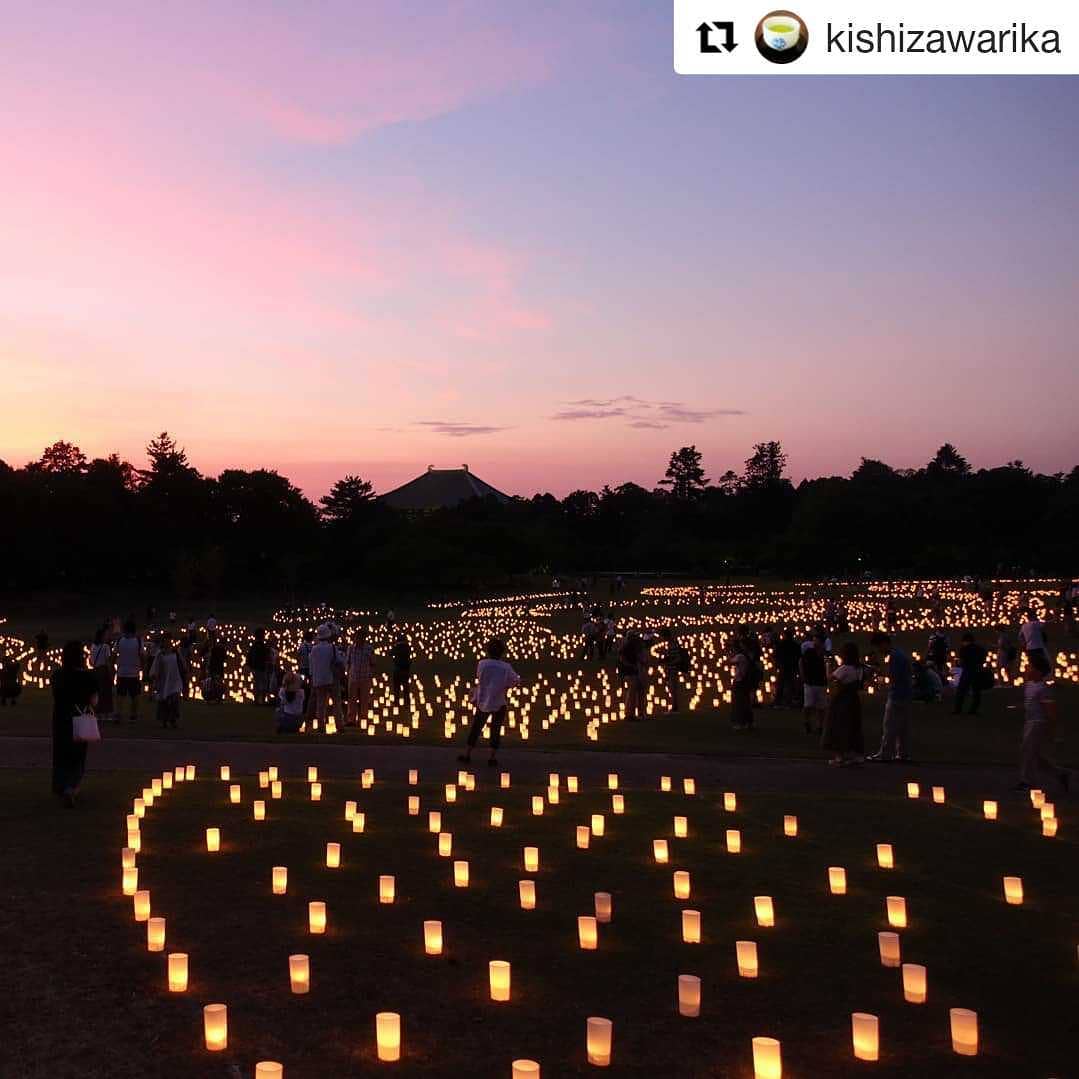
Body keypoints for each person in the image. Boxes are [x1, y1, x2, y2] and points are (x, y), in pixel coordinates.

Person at [459, 638, 520, 767]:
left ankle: (467, 754)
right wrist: (505, 685)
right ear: (502, 652)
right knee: (495, 730)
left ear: (488, 650)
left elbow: (480, 677)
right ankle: (492, 757)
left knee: (476, 727)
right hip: (499, 702)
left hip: (483, 701)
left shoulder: (482, 664)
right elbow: (515, 680)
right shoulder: (506, 667)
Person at [51, 640, 98, 807]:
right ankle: (71, 787)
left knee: (61, 753)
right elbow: (94, 700)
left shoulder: (57, 676)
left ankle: (61, 785)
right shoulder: (87, 677)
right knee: (78, 755)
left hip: (61, 719)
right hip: (80, 720)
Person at [1015, 653, 1069, 793]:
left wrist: (1054, 730)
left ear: (1038, 672)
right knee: (1034, 754)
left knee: (1027, 751)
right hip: (1029, 722)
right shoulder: (1029, 685)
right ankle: (1060, 773)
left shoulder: (1043, 689)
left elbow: (1051, 711)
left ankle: (1026, 782)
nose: (1027, 669)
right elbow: (1030, 703)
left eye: (1030, 667)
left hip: (1038, 723)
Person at [866, 632, 914, 762]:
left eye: (878, 647)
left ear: (884, 644)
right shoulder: (900, 654)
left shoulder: (895, 657)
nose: (879, 651)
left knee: (889, 726)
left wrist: (881, 675)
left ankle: (885, 753)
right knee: (903, 728)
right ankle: (902, 754)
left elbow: (894, 677)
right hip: (906, 694)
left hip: (897, 695)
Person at [822, 641, 865, 766]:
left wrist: (828, 665)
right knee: (853, 726)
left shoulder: (845, 669)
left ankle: (839, 756)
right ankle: (856, 754)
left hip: (841, 701)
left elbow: (830, 678)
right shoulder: (859, 668)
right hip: (854, 701)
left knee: (839, 726)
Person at [149, 632, 186, 729]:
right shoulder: (160, 654)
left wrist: (185, 671)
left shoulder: (175, 652)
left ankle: (173, 720)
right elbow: (156, 668)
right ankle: (164, 720)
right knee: (164, 700)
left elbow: (182, 663)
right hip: (164, 680)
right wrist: (155, 679)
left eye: (169, 640)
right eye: (165, 640)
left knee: (174, 700)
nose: (167, 642)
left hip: (175, 679)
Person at [306, 623, 337, 728]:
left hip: (318, 680)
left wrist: (311, 677)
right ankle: (339, 725)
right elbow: (339, 661)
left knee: (320, 704)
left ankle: (320, 725)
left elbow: (311, 665)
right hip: (330, 679)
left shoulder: (314, 649)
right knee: (336, 703)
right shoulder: (331, 648)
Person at [115, 619, 144, 722]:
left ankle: (118, 713)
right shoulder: (138, 641)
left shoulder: (120, 641)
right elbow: (142, 655)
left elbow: (114, 654)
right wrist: (143, 669)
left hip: (121, 672)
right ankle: (133, 714)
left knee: (120, 695)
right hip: (134, 673)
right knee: (135, 695)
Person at [346, 627, 375, 726]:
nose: (359, 639)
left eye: (362, 637)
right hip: (353, 677)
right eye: (358, 637)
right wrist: (348, 673)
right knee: (351, 699)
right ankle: (351, 719)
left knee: (364, 699)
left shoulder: (369, 649)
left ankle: (363, 718)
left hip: (365, 677)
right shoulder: (351, 648)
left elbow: (373, 662)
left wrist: (370, 673)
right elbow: (348, 662)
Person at [954, 632, 989, 715]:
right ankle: (973, 710)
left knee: (961, 691)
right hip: (977, 671)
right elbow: (983, 659)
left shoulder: (964, 649)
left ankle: (958, 709)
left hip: (967, 671)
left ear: (965, 641)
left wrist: (960, 664)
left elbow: (961, 661)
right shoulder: (980, 649)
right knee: (976, 692)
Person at [799, 634, 828, 735]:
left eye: (817, 641)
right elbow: (801, 662)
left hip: (821, 683)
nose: (815, 643)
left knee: (821, 707)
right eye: (814, 640)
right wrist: (803, 675)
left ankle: (820, 726)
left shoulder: (825, 654)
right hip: (810, 682)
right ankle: (806, 723)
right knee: (808, 705)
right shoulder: (809, 652)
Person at [617, 631, 649, 721]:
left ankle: (638, 713)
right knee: (634, 693)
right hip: (633, 673)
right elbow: (624, 660)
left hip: (634, 672)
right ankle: (632, 714)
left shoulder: (631, 647)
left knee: (637, 693)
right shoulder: (628, 648)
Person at [659, 627, 688, 714]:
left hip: (673, 669)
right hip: (671, 668)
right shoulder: (672, 643)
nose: (661, 638)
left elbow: (677, 657)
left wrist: (667, 661)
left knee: (673, 688)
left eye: (662, 636)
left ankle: (674, 708)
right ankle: (674, 706)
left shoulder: (672, 644)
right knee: (672, 688)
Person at [730, 637, 756, 731]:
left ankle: (740, 723)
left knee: (739, 703)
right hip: (745, 681)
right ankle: (749, 722)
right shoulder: (749, 655)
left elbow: (731, 661)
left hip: (739, 681)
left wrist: (731, 653)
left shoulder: (740, 656)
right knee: (746, 702)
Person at [90, 628, 115, 721]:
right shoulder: (105, 647)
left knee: (97, 693)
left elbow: (91, 661)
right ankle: (106, 714)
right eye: (106, 635)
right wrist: (111, 672)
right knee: (106, 692)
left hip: (95, 671)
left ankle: (97, 714)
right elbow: (108, 661)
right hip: (103, 670)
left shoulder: (93, 646)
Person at [773, 628, 801, 708]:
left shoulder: (781, 645)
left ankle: (778, 702)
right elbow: (798, 656)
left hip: (783, 666)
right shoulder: (795, 645)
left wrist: (777, 664)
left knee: (780, 685)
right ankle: (788, 702)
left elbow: (776, 655)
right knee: (790, 685)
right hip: (792, 667)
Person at [246, 628, 273, 706]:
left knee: (256, 683)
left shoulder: (254, 646)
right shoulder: (262, 646)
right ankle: (262, 700)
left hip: (255, 667)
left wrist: (249, 666)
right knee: (263, 684)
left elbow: (249, 656)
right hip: (261, 667)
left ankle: (257, 700)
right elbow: (266, 657)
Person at [391, 632, 412, 705]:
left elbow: (390, 653)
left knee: (397, 688)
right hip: (405, 670)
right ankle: (407, 703)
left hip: (397, 670)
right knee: (406, 688)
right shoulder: (407, 647)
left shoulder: (397, 647)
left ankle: (396, 702)